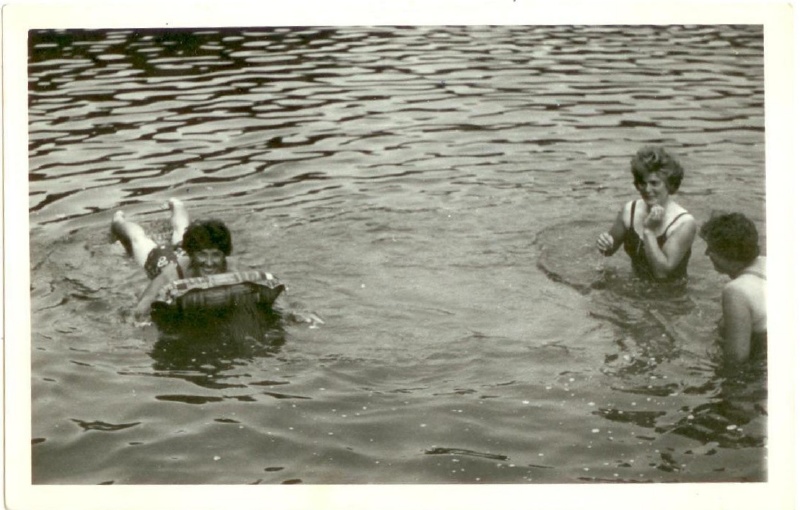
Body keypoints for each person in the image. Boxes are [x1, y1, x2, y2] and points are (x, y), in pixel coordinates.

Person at [111, 198, 235, 319]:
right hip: (161, 259)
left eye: (216, 255)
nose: (209, 263)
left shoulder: (232, 267)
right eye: (202, 255)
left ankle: (177, 204)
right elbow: (143, 304)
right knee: (137, 239)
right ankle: (118, 221)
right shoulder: (173, 273)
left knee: (182, 230)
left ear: (224, 255)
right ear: (192, 254)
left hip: (183, 251)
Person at [596, 146, 697, 281]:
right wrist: (604, 243)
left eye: (654, 183)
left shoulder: (684, 222)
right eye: (642, 183)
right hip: (635, 285)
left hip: (671, 291)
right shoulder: (629, 210)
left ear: (669, 184)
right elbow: (608, 251)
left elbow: (661, 273)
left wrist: (648, 230)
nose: (647, 189)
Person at [700, 212, 766, 365]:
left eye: (711, 248)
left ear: (728, 252)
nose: (706, 253)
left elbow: (736, 359)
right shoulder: (767, 262)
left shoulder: (736, 291)